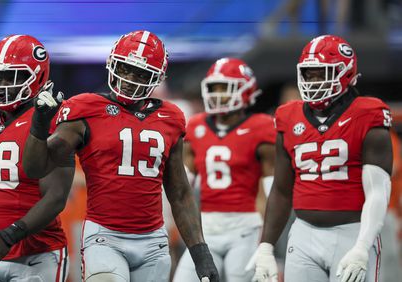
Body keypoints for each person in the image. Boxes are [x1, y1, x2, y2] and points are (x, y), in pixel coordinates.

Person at [22, 30, 219, 282]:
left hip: (153, 241)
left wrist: (200, 251)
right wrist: (38, 128)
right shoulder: (85, 108)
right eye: (124, 69)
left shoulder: (171, 117)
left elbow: (179, 192)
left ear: (156, 77)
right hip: (105, 236)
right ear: (112, 64)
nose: (128, 79)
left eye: (140, 73)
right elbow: (35, 168)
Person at [246, 35, 393, 282]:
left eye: (321, 73)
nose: (314, 81)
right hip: (304, 234)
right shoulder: (288, 117)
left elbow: (378, 192)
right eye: (309, 74)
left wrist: (362, 246)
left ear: (345, 73)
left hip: (352, 232)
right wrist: (266, 246)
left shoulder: (369, 114)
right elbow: (282, 191)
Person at [0, 34, 74, 282]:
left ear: (38, 76)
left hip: (37, 254)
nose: (3, 83)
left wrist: (9, 236)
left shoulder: (55, 118)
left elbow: (55, 197)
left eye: (13, 76)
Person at [172, 58, 276, 282]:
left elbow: (272, 190)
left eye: (225, 89)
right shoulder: (196, 125)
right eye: (214, 88)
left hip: (244, 227)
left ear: (245, 90)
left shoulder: (261, 127)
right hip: (205, 227)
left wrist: (267, 240)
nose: (218, 95)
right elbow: (181, 184)